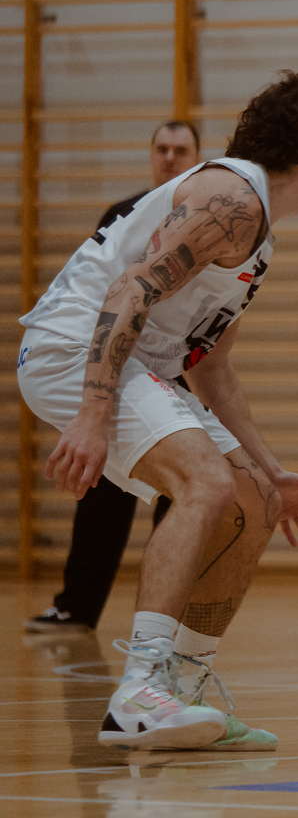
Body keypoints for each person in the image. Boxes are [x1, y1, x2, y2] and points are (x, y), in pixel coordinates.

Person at [17, 71, 298, 751]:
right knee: (205, 481)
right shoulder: (232, 201)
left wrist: (271, 470)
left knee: (253, 501)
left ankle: (185, 692)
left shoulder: (258, 236)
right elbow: (130, 289)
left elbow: (213, 367)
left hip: (135, 360)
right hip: (75, 345)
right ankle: (140, 693)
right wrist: (92, 414)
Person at [25, 121, 202, 635]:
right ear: (151, 155)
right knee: (101, 484)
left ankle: (168, 615)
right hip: (115, 362)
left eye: (180, 150)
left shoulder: (209, 219)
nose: (169, 157)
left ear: (197, 158)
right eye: (161, 148)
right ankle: (77, 607)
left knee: (190, 486)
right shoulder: (124, 214)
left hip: (168, 367)